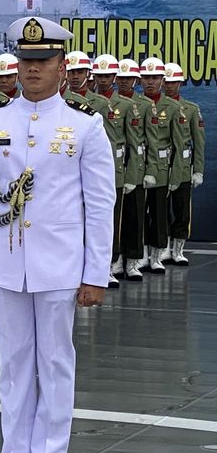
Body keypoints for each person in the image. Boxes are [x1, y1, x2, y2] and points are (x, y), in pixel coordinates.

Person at [0, 16, 114, 453]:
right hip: (6, 264)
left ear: (62, 66)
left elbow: (99, 205)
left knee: (55, 364)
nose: (32, 70)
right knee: (13, 366)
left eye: (42, 61)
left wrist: (96, 273)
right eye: (26, 61)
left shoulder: (86, 128)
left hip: (59, 265)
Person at [83, 55, 134, 288]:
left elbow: (125, 142)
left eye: (107, 76)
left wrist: (131, 173)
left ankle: (110, 264)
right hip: (81, 171)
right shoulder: (71, 101)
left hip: (111, 169)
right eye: (99, 76)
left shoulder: (106, 105)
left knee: (110, 220)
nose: (103, 80)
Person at [138, 57, 177, 274]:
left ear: (162, 80)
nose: (150, 82)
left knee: (159, 213)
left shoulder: (173, 107)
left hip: (161, 168)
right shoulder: (135, 104)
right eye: (146, 78)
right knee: (139, 214)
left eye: (154, 78)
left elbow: (178, 142)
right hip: (136, 167)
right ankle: (141, 254)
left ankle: (157, 255)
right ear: (140, 80)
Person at [114, 59, 151, 280]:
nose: (125, 82)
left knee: (135, 216)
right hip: (116, 167)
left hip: (136, 166)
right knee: (116, 219)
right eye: (122, 78)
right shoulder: (110, 103)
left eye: (129, 78)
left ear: (136, 80)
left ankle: (134, 261)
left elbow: (148, 139)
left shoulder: (145, 105)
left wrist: (145, 169)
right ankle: (117, 259)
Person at [164, 62, 204, 265]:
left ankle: (178, 249)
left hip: (183, 166)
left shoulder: (190, 109)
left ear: (180, 83)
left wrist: (198, 170)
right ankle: (162, 247)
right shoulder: (154, 108)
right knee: (160, 210)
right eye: (167, 82)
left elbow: (199, 141)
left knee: (181, 210)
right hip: (161, 166)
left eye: (173, 82)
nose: (169, 86)